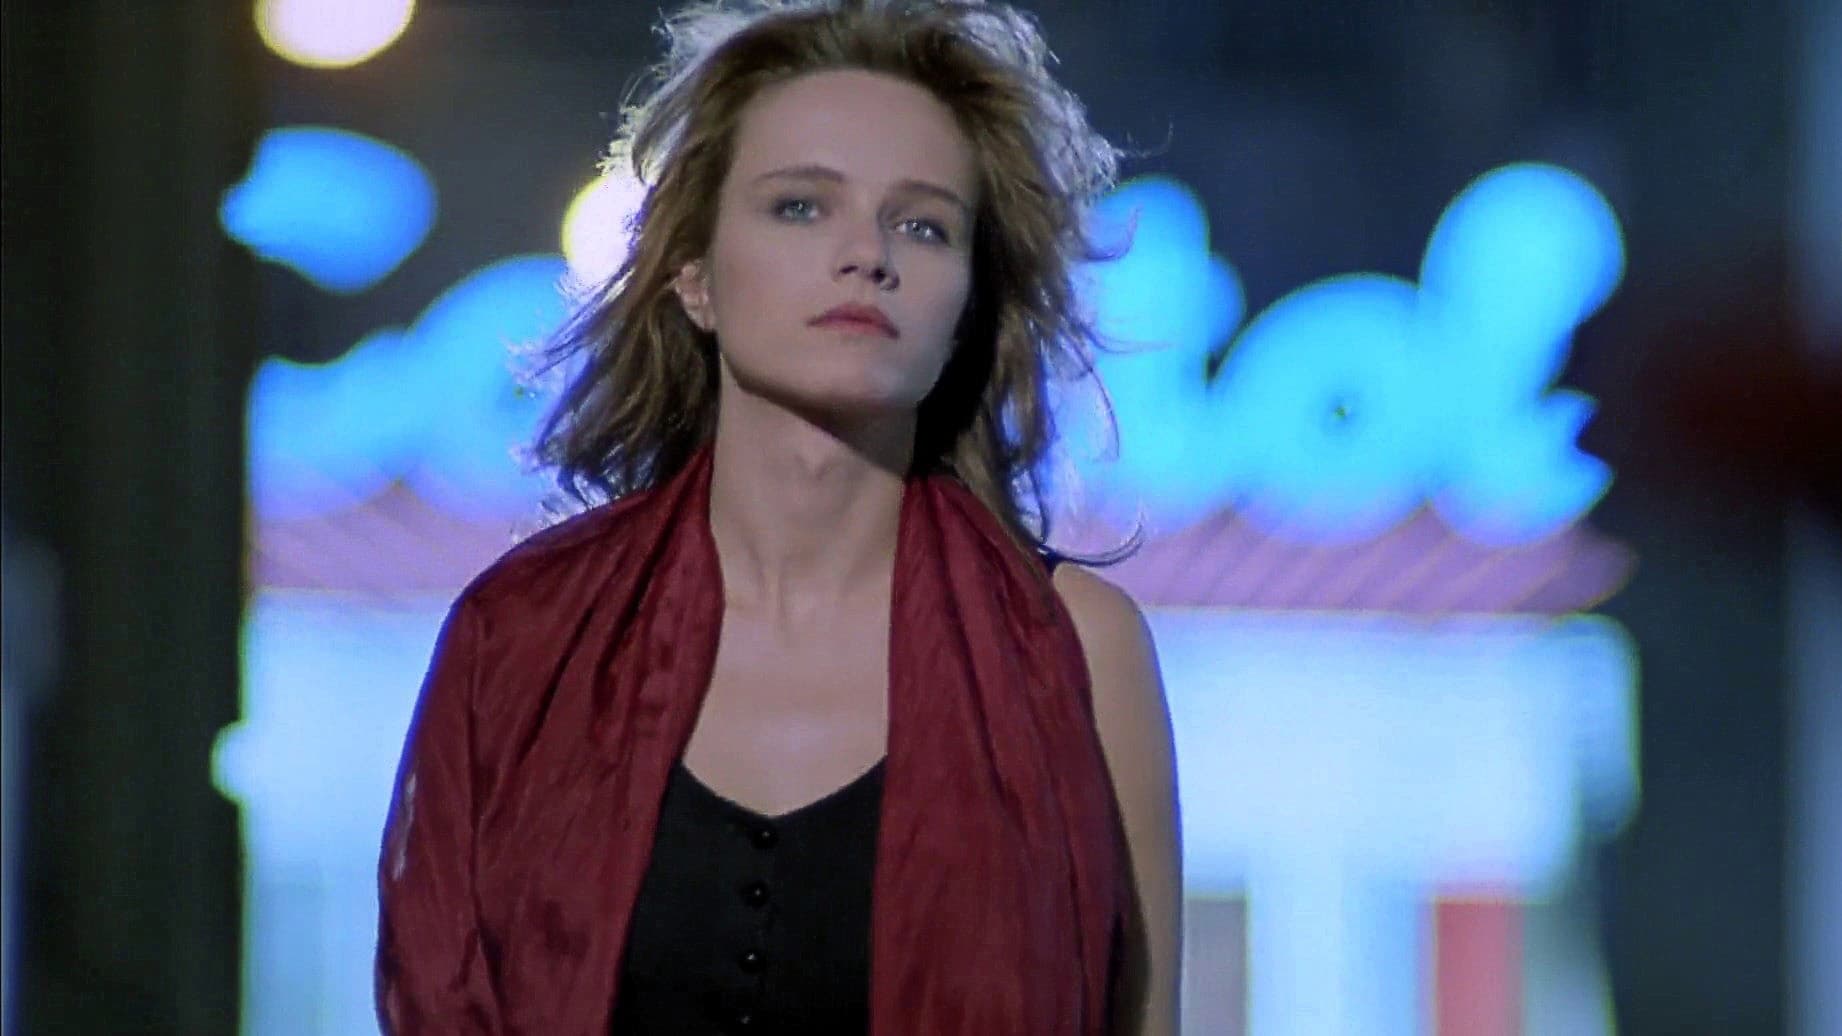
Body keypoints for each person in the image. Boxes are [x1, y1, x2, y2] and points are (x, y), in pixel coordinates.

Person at [374, 1, 1181, 1033]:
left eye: (924, 225)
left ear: (967, 307)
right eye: (800, 206)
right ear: (695, 277)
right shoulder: (522, 635)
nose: (867, 255)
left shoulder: (1078, 650)